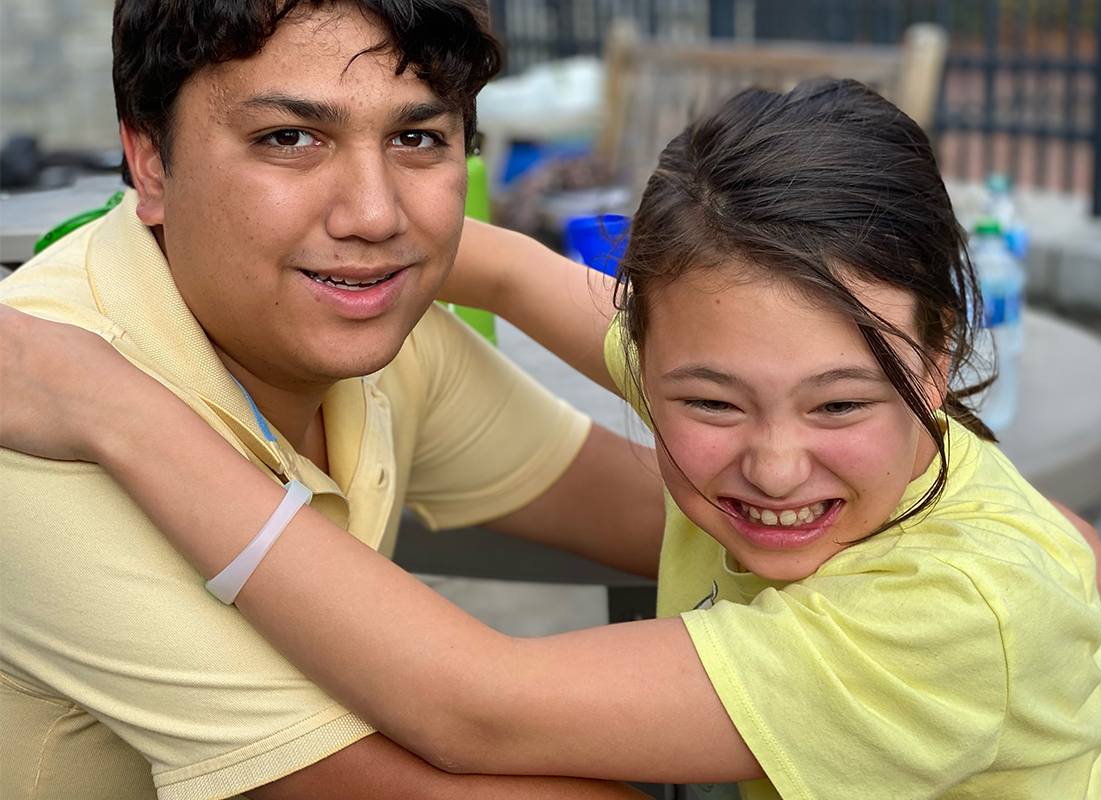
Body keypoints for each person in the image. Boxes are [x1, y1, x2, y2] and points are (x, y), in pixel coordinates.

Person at [1, 80, 1101, 799]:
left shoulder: (951, 609)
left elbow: (477, 703)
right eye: (706, 405)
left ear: (938, 350)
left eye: (842, 406)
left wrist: (114, 407)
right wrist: (364, 234)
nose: (771, 461)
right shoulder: (741, 361)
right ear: (643, 362)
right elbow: (513, 269)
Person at [0, 1, 662, 798]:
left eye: (417, 139)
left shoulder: (379, 341)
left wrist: (509, 267)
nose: (373, 214)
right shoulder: (40, 399)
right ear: (149, 164)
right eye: (288, 139)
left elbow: (724, 501)